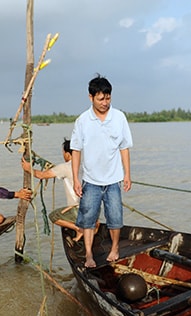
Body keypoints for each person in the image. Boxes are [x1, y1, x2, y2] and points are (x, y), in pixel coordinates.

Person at [70, 74, 133, 268]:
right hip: (91, 180)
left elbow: (124, 148)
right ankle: (89, 254)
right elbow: (76, 151)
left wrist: (127, 174)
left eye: (108, 98)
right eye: (101, 98)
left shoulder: (119, 117)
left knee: (115, 217)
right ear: (91, 98)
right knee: (88, 219)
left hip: (113, 180)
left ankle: (114, 248)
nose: (105, 102)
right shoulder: (82, 121)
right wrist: (76, 179)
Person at [21, 138, 83, 240]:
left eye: (63, 153)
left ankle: (78, 229)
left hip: (77, 209)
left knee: (53, 216)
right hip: (91, 208)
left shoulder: (65, 167)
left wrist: (28, 168)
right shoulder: (84, 165)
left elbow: (41, 175)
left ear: (67, 154)